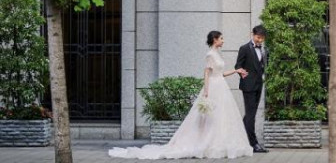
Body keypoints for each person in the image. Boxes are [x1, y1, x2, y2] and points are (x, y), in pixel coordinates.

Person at [108, 31, 253, 160]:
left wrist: (236, 71)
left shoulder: (217, 54)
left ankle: (219, 144)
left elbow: (220, 73)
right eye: (221, 38)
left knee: (221, 116)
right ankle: (208, 144)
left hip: (221, 86)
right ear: (215, 39)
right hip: (214, 87)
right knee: (211, 117)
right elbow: (207, 73)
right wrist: (206, 91)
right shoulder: (210, 55)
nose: (223, 41)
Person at [235, 25, 269, 154]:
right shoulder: (244, 48)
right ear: (252, 34)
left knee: (250, 114)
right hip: (248, 86)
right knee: (251, 115)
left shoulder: (263, 49)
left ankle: (240, 138)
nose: (260, 40)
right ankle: (253, 143)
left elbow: (262, 66)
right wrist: (243, 74)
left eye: (262, 38)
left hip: (259, 85)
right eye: (258, 37)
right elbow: (238, 65)